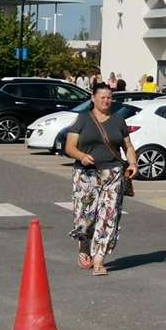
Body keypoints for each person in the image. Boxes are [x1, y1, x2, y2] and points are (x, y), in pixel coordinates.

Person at [65, 82, 137, 276]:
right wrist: (81, 156)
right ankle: (84, 247)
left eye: (109, 97)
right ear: (93, 98)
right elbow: (69, 146)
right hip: (86, 175)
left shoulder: (118, 121)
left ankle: (99, 260)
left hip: (113, 174)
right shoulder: (82, 119)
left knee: (109, 217)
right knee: (86, 218)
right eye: (103, 97)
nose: (106, 101)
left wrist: (132, 164)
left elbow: (128, 146)